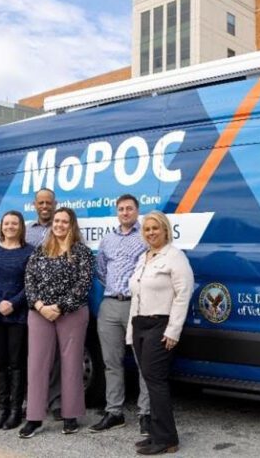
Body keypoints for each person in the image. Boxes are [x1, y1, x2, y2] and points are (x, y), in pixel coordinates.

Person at [19, 207, 95, 438]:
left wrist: (60, 307)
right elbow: (29, 279)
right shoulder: (42, 250)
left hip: (72, 313)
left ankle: (70, 417)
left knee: (72, 364)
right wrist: (41, 306)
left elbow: (84, 283)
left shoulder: (82, 251)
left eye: (65, 222)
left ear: (72, 225)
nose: (60, 225)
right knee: (37, 365)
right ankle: (34, 418)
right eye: (57, 221)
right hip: (40, 313)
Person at [126, 211, 193, 455]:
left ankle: (167, 439)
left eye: (155, 228)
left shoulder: (175, 257)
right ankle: (157, 433)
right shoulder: (145, 257)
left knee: (156, 382)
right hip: (140, 324)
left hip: (159, 325)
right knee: (149, 380)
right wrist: (130, 331)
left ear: (165, 230)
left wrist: (173, 330)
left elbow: (183, 294)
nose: (151, 232)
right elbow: (137, 295)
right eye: (147, 229)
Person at [89, 194, 151, 434]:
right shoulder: (107, 240)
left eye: (129, 208)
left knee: (143, 361)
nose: (125, 212)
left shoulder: (145, 236)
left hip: (138, 305)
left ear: (137, 211)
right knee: (111, 362)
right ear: (117, 212)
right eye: (121, 209)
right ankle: (114, 412)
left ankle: (146, 413)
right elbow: (101, 270)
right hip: (110, 305)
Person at [0, 211, 34, 430]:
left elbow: (31, 282)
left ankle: (15, 411)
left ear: (21, 227)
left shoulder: (30, 252)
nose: (10, 226)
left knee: (17, 363)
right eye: (7, 223)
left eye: (15, 223)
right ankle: (1, 410)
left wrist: (13, 303)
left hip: (18, 316)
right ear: (1, 226)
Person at [25, 187, 64, 420]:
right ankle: (32, 402)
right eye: (41, 203)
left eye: (49, 202)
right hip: (32, 298)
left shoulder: (63, 228)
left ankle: (57, 401)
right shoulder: (26, 232)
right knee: (33, 356)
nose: (45, 206)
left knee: (57, 355)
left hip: (56, 300)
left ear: (55, 204)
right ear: (35, 205)